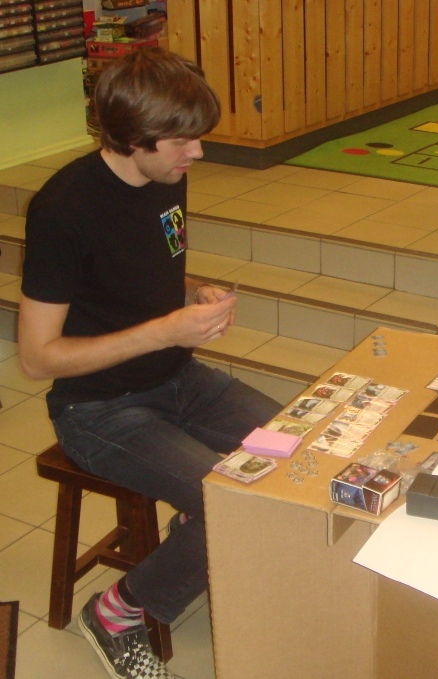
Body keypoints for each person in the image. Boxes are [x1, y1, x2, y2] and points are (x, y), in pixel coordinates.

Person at [18, 47, 282, 679]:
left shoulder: (165, 175)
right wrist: (165, 331)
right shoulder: (62, 210)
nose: (198, 153)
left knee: (296, 451)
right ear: (134, 137)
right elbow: (36, 358)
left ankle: (194, 528)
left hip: (177, 379)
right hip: (99, 409)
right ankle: (116, 612)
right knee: (229, 501)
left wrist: (194, 295)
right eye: (183, 141)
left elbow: (144, 270)